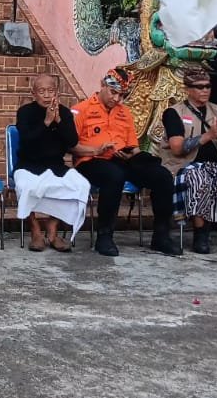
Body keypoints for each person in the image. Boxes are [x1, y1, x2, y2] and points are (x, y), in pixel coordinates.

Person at [72, 69, 181, 257]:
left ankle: (161, 236)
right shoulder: (82, 109)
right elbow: (71, 146)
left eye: (121, 95)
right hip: (90, 161)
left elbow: (134, 147)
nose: (116, 99)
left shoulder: (124, 113)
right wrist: (96, 150)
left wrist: (133, 157)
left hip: (121, 159)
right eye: (113, 92)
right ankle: (104, 236)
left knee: (161, 176)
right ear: (103, 85)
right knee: (114, 176)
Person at [156, 68, 217, 254]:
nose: (205, 90)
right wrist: (208, 135)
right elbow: (177, 148)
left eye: (208, 86)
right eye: (199, 87)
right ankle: (201, 233)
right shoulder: (174, 113)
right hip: (186, 165)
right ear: (187, 89)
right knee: (200, 178)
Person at [13, 73, 88, 252]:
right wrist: (46, 122)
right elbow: (27, 140)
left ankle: (52, 230)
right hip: (28, 164)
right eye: (42, 91)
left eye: (51, 91)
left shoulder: (64, 113)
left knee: (80, 185)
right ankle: (35, 231)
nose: (47, 95)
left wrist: (59, 121)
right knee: (25, 186)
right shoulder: (25, 112)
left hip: (56, 165)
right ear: (34, 94)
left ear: (57, 93)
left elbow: (71, 141)